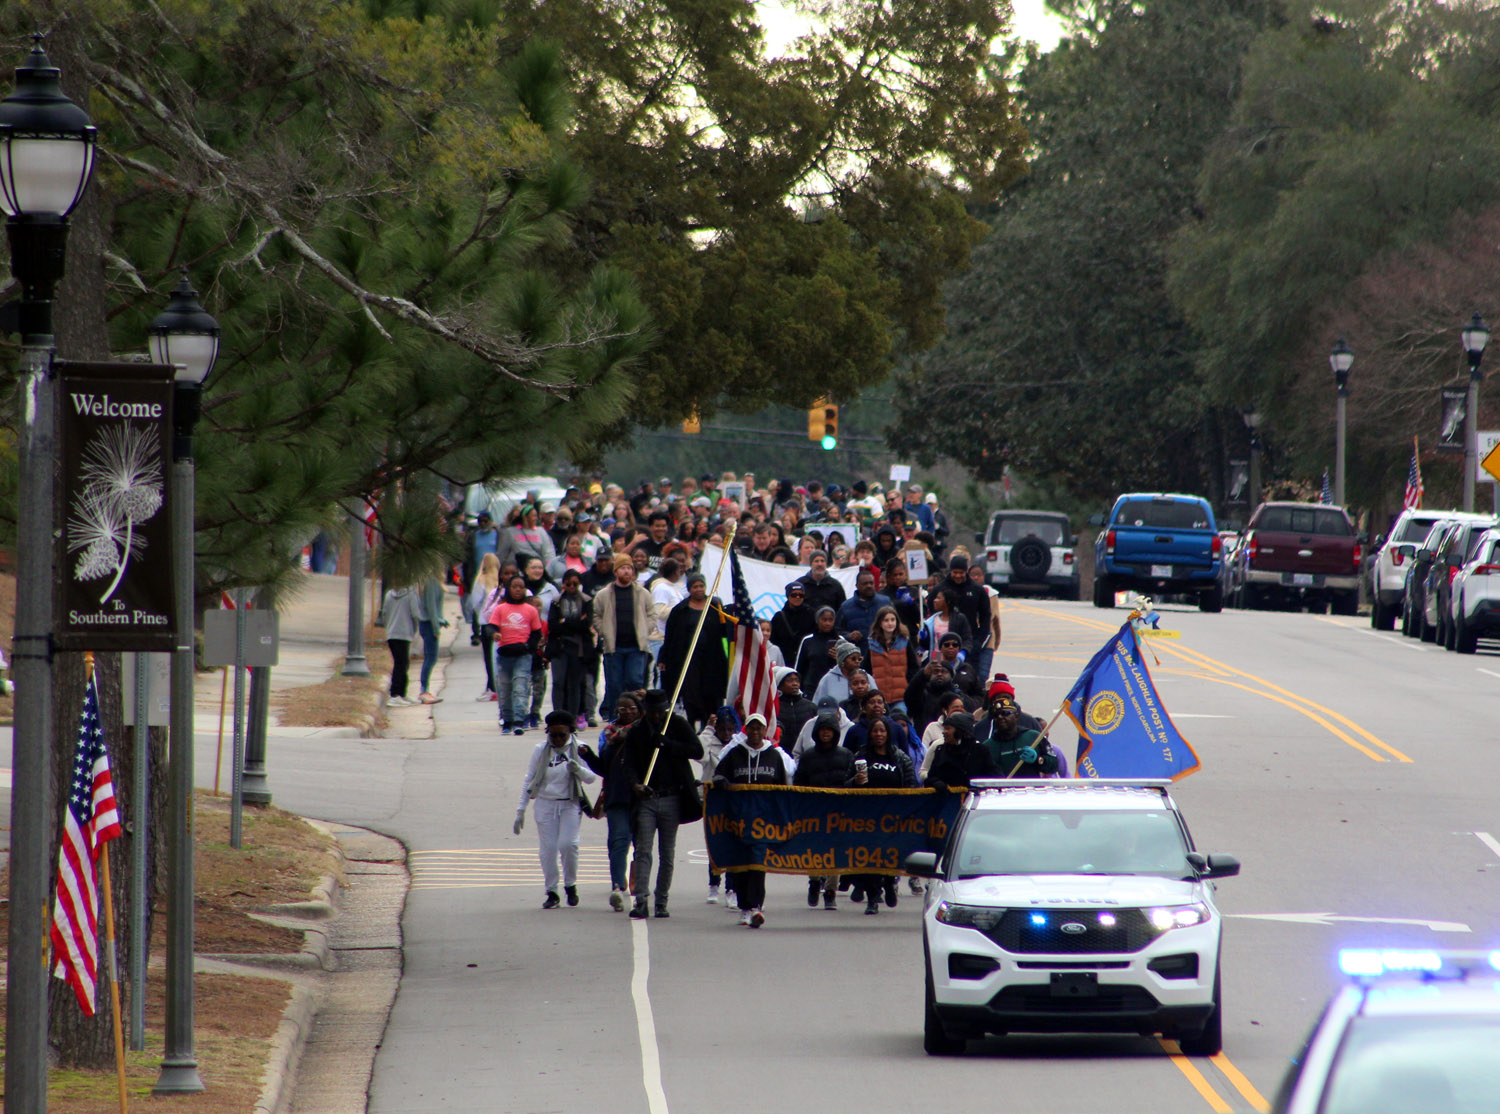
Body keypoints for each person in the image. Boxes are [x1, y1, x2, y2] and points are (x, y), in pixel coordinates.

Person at [622, 690, 705, 919]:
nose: (657, 716)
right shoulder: (637, 731)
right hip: (647, 798)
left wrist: (669, 744)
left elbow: (697, 750)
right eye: (653, 712)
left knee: (667, 854)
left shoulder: (676, 724)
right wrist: (635, 785)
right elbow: (627, 763)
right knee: (643, 852)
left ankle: (662, 901)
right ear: (645, 710)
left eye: (661, 711)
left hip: (672, 798)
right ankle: (641, 900)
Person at [712, 712, 795, 928]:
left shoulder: (774, 756)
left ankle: (756, 906)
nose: (755, 732)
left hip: (763, 821)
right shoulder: (735, 754)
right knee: (740, 864)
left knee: (758, 864)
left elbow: (780, 788)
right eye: (752, 728)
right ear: (746, 730)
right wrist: (720, 780)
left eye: (759, 728)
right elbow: (720, 774)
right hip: (738, 819)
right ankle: (744, 907)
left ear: (765, 730)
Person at [514, 711, 599, 908]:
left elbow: (592, 778)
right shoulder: (541, 750)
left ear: (570, 731)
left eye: (563, 735)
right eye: (553, 735)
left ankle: (571, 884)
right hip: (545, 804)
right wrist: (521, 809)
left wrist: (578, 769)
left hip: (569, 803)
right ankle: (552, 891)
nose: (558, 739)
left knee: (568, 845)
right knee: (549, 849)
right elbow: (530, 779)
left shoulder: (580, 749)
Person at [850, 715, 918, 913]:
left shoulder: (900, 757)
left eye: (882, 731)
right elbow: (845, 785)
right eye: (875, 731)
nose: (879, 734)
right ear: (869, 734)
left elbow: (910, 784)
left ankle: (889, 883)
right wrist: (855, 781)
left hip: (893, 817)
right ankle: (872, 898)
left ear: (888, 734)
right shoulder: (860, 757)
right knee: (869, 858)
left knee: (889, 855)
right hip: (867, 817)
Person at [585, 692, 643, 910]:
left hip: (641, 796)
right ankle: (617, 886)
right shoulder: (608, 735)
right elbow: (604, 768)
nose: (628, 712)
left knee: (641, 843)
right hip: (617, 795)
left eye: (632, 709)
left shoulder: (646, 732)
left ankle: (639, 884)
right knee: (618, 841)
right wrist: (588, 756)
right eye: (622, 709)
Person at [794, 712, 856, 909]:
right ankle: (814, 881)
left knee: (835, 851)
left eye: (829, 729)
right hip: (815, 810)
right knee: (815, 848)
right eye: (822, 730)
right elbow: (799, 783)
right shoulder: (808, 756)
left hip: (839, 810)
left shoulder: (846, 755)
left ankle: (831, 891)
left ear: (836, 732)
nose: (826, 733)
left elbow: (851, 782)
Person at [658, 572, 730, 729]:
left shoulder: (714, 606)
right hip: (689, 660)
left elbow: (725, 630)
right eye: (695, 586)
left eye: (701, 586)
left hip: (712, 659)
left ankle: (709, 724)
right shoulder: (680, 610)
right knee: (691, 693)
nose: (699, 589)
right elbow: (670, 636)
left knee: (710, 693)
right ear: (689, 589)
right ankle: (691, 724)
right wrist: (663, 658)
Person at [591, 553, 657, 721]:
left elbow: (651, 614)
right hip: (614, 648)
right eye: (623, 568)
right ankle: (615, 716)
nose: (627, 571)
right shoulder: (604, 594)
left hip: (636, 647)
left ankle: (637, 716)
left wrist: (645, 630)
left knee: (635, 681)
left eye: (629, 568)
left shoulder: (643, 593)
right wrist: (604, 630)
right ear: (616, 571)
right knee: (614, 685)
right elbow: (596, 615)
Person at [488, 574, 542, 734]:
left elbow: (536, 633)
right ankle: (507, 720)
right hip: (504, 655)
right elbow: (491, 627)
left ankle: (519, 720)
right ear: (508, 589)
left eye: (521, 587)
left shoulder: (530, 610)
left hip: (522, 656)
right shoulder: (500, 609)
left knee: (520, 687)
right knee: (504, 689)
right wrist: (495, 634)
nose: (518, 590)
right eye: (514, 586)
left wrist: (528, 647)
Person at [699, 707, 740, 905]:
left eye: (730, 729)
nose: (726, 733)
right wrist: (707, 730)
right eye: (722, 729)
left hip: (733, 798)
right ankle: (713, 884)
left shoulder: (737, 745)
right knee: (714, 843)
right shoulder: (710, 743)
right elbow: (700, 756)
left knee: (732, 844)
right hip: (712, 798)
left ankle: (731, 888)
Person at [547, 570, 594, 727]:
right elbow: (553, 625)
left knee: (575, 683)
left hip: (579, 647)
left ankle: (572, 717)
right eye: (569, 583)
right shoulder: (556, 601)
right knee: (558, 682)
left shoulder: (586, 600)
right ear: (563, 584)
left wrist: (565, 622)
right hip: (559, 647)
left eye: (575, 583)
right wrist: (574, 622)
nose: (572, 587)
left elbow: (585, 625)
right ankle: (557, 715)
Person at [983, 686, 1059, 778]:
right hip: (1003, 791)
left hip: (1031, 791)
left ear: (1016, 716)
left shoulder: (1034, 737)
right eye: (996, 715)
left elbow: (1054, 765)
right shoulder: (988, 747)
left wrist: (1038, 760)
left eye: (1005, 713)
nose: (1000, 717)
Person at [924, 712, 999, 790]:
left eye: (948, 728)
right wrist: (936, 782)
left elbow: (994, 776)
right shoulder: (941, 751)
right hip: (947, 799)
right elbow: (929, 778)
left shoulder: (980, 751)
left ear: (960, 731)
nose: (944, 732)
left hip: (972, 798)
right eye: (944, 728)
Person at [379, 580, 425, 706]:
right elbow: (416, 614)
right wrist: (415, 629)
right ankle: (395, 693)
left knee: (401, 662)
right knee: (402, 664)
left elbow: (385, 613)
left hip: (392, 633)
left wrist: (389, 626)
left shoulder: (389, 594)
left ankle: (402, 693)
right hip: (405, 633)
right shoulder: (411, 595)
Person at [865, 606, 916, 711]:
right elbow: (866, 668)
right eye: (886, 620)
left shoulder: (904, 642)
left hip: (901, 695)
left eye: (893, 620)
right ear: (880, 623)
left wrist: (908, 683)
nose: (890, 623)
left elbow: (913, 666)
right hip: (879, 696)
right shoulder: (872, 644)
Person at [462, 511, 500, 644]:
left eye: (485, 521)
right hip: (478, 574)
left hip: (494, 572)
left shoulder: (497, 535)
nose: (483, 524)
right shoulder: (473, 537)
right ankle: (476, 632)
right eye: (481, 521)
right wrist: (466, 577)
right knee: (477, 601)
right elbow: (467, 558)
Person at [468, 552, 502, 700]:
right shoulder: (500, 581)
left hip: (485, 622)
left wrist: (479, 614)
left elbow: (474, 602)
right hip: (499, 623)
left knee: (488, 657)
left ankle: (491, 688)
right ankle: (496, 686)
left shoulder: (480, 581)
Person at [649, 557, 688, 678]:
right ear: (675, 571)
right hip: (661, 638)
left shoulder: (671, 588)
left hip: (671, 637)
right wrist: (682, 607)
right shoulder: (661, 588)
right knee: (663, 673)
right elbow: (660, 612)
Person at [835, 569, 892, 646]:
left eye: (871, 583)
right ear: (857, 586)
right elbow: (837, 632)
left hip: (883, 651)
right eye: (865, 584)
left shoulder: (885, 603)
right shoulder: (846, 607)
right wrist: (849, 636)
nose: (869, 586)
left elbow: (897, 626)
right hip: (858, 653)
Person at [794, 606, 840, 694]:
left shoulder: (841, 641)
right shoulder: (808, 640)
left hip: (835, 687)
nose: (827, 623)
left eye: (831, 620)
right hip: (812, 688)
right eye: (824, 620)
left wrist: (839, 658)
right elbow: (800, 667)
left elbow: (849, 667)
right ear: (817, 620)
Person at [770, 581, 816, 664]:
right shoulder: (779, 617)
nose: (797, 597)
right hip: (784, 660)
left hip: (806, 660)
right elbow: (773, 640)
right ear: (788, 596)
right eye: (794, 595)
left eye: (801, 595)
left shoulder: (812, 614)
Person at [773, 667, 816, 752]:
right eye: (790, 681)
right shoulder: (774, 707)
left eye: (797, 680)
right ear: (780, 685)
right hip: (782, 752)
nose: (795, 684)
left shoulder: (810, 707)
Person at [812, 639, 863, 706]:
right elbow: (817, 704)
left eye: (859, 659)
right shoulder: (827, 679)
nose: (857, 661)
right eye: (853, 658)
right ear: (842, 661)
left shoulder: (866, 677)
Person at [933, 631, 983, 700]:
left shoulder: (968, 669)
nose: (951, 647)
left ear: (959, 648)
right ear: (940, 648)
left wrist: (970, 704)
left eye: (955, 645)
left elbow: (979, 694)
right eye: (947, 644)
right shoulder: (935, 668)